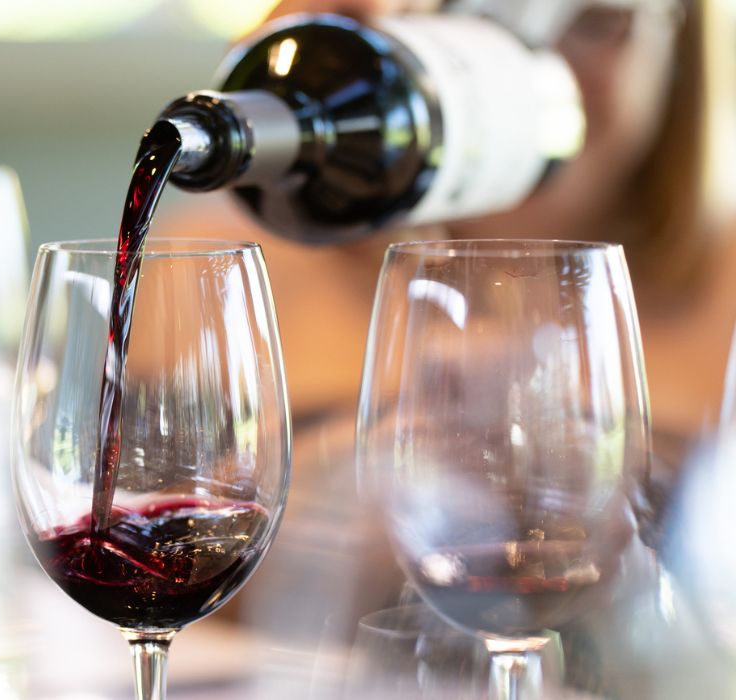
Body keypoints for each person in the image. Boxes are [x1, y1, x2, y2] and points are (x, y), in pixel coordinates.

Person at [158, 0, 736, 691]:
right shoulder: (231, 260)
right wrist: (329, 512)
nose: (535, 66)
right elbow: (138, 587)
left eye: (594, 21)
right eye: (480, 13)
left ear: (680, 47)